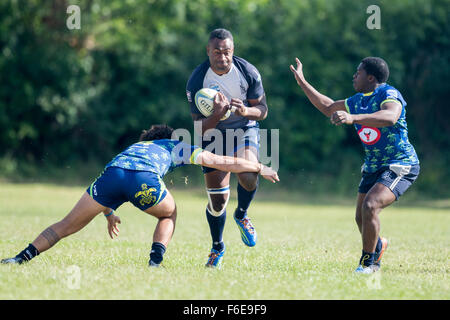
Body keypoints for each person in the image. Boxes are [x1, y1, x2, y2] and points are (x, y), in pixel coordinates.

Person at [1, 124, 279, 267]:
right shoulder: (174, 145)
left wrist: (108, 211)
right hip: (143, 179)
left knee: (64, 226)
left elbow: (119, 175)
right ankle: (155, 262)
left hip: (111, 174)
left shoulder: (137, 146)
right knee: (169, 213)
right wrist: (258, 166)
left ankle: (20, 258)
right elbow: (224, 163)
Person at [290, 57, 420, 274]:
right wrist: (303, 82)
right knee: (361, 217)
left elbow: (390, 116)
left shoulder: (389, 93)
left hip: (400, 164)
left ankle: (369, 263)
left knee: (371, 206)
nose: (354, 76)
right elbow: (328, 107)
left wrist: (353, 118)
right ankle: (378, 246)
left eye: (358, 72)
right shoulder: (358, 99)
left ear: (370, 77)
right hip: (372, 166)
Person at [186, 28, 268, 267]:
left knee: (249, 175)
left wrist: (245, 110)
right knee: (217, 202)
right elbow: (200, 128)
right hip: (213, 135)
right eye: (217, 52)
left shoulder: (248, 72)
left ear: (233, 51)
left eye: (227, 52)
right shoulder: (197, 79)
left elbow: (262, 110)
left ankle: (241, 214)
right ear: (208, 51)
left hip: (244, 128)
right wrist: (218, 114)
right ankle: (217, 247)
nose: (222, 57)